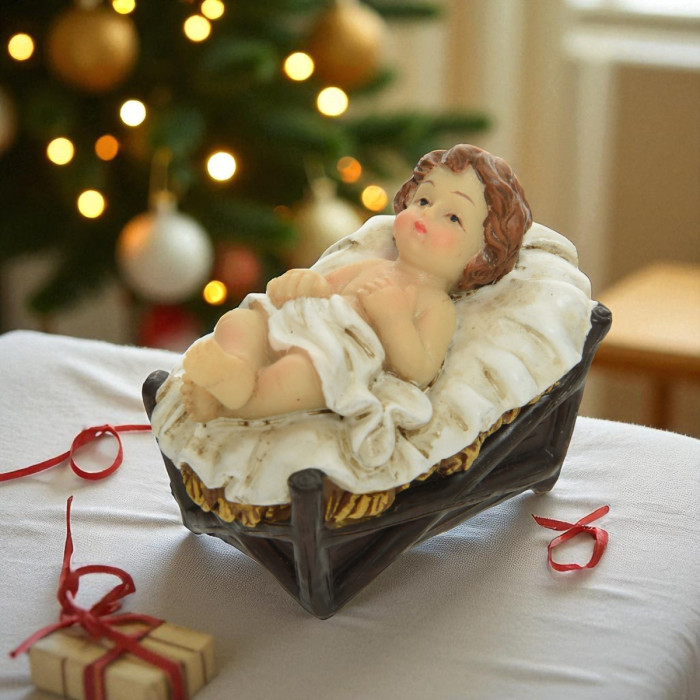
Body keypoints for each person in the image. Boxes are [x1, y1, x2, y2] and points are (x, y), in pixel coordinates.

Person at [181, 144, 532, 422]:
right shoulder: (371, 266)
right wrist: (302, 283)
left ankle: (233, 403)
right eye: (424, 200)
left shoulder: (436, 305)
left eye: (453, 217)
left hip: (332, 357)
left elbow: (420, 371)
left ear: (480, 257)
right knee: (240, 321)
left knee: (299, 376)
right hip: (296, 325)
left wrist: (393, 320)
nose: (426, 213)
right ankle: (238, 368)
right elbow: (324, 286)